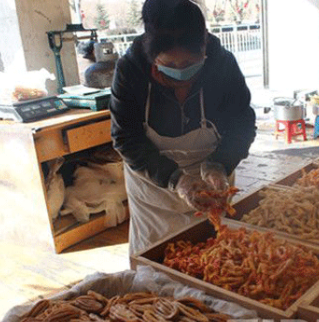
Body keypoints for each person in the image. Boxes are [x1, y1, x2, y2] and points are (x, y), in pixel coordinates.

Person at [109, 0, 256, 255]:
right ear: (152, 57)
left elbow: (242, 125)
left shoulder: (222, 65)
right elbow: (126, 138)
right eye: (171, 67)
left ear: (204, 47)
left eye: (191, 64)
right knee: (157, 265)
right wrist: (175, 180)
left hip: (213, 187)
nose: (182, 75)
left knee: (217, 259)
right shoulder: (130, 71)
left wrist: (220, 164)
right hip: (154, 193)